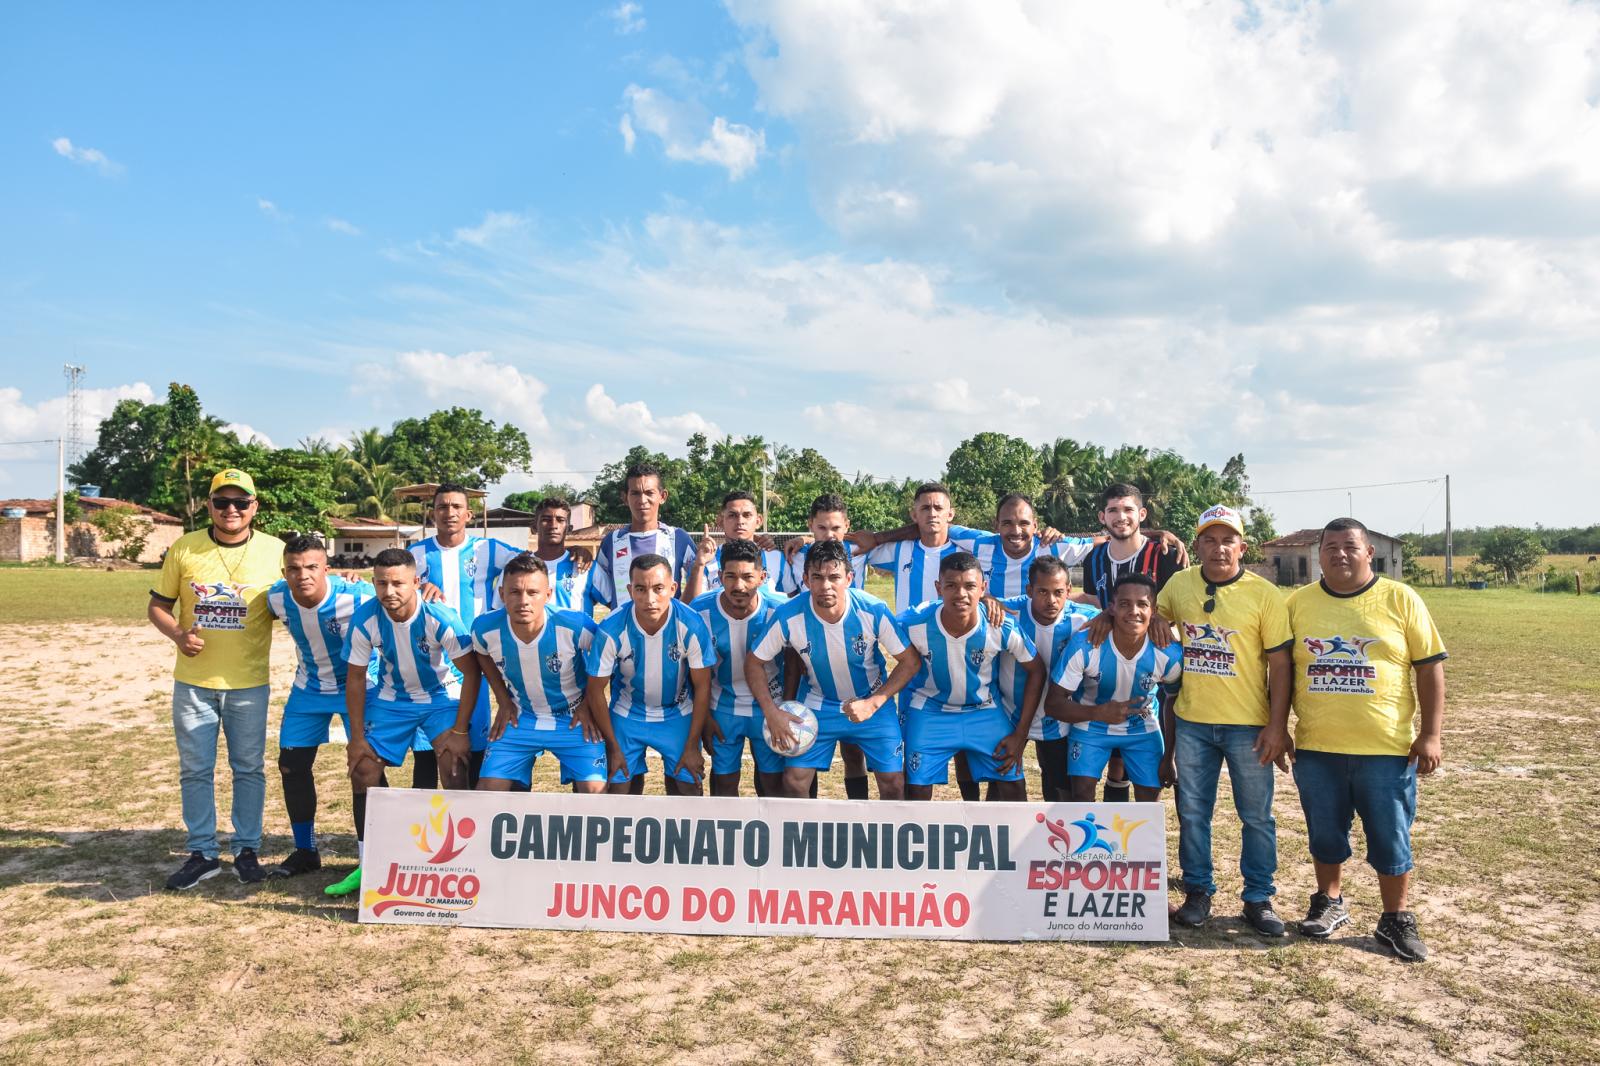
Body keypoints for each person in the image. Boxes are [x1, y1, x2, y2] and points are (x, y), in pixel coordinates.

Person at [1288, 518, 1446, 962]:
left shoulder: (1400, 599)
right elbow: (1280, 671)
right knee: (1324, 830)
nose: (1340, 553)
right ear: (1319, 554)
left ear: (1369, 552)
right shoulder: (1299, 603)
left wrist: (1431, 734)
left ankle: (1395, 918)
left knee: (1390, 835)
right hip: (1318, 746)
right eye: (1330, 546)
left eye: (1349, 546)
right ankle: (1329, 901)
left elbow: (1430, 667)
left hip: (1386, 748)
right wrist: (1277, 726)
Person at [1152, 505, 1294, 936]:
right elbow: (1149, 614)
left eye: (1227, 540)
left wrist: (1276, 725)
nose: (1218, 549)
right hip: (1193, 721)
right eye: (1209, 540)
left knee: (1257, 816)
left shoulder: (1264, 594)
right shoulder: (1179, 584)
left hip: (1249, 726)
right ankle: (1197, 891)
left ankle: (1258, 897)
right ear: (1196, 546)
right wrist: (1157, 621)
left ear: (1242, 547)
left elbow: (1282, 664)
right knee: (1194, 813)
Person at [148, 468, 285, 890]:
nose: (231, 510)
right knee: (195, 769)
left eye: (241, 502)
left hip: (248, 683)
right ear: (208, 505)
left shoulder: (275, 551)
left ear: (254, 507)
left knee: (248, 768)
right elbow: (158, 605)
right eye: (222, 501)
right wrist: (177, 634)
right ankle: (202, 853)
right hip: (193, 682)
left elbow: (303, 595)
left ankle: (246, 849)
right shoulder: (186, 548)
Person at [330, 549, 479, 897]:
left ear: (416, 582)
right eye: (381, 583)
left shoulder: (439, 616)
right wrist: (355, 737)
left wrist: (459, 732)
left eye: (398, 583)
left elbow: (471, 673)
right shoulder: (365, 617)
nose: (389, 591)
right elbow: (354, 678)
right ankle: (369, 864)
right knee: (362, 768)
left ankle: (466, 861)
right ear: (373, 584)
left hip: (440, 697)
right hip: (391, 700)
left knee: (453, 766)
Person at [747, 540, 920, 800]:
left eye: (834, 577)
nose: (826, 586)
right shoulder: (789, 615)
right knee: (793, 781)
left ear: (849, 578)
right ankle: (806, 839)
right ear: (805, 579)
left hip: (871, 702)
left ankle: (882, 840)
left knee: (893, 782)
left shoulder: (873, 610)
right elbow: (753, 662)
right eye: (817, 577)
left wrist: (873, 703)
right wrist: (771, 712)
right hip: (818, 703)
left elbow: (910, 662)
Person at [262, 535, 375, 879]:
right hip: (309, 687)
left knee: (364, 769)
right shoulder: (276, 597)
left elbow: (399, 602)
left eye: (312, 567)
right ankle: (305, 850)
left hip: (360, 687)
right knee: (291, 765)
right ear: (285, 572)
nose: (303, 575)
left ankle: (367, 857)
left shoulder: (357, 595)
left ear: (327, 569)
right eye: (294, 569)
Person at [899, 552, 1041, 802]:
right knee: (916, 790)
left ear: (983, 589)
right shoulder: (914, 623)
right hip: (931, 711)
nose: (961, 594)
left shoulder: (1000, 625)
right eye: (951, 585)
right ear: (938, 588)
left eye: (970, 586)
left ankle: (1014, 842)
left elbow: (1037, 670)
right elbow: (875, 628)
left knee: (1014, 787)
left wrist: (1020, 734)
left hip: (983, 710)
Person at [1076, 483, 1188, 803]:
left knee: (1167, 757)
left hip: (1158, 662)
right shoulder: (1094, 559)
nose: (1120, 517)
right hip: (1110, 662)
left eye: (1128, 510)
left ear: (1141, 514)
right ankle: (1114, 838)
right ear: (1102, 516)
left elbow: (1178, 607)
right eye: (1113, 510)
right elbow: (1096, 603)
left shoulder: (1166, 554)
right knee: (1115, 757)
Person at [409, 482, 522, 787]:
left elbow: (535, 565)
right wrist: (418, 588)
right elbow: (393, 584)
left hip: (474, 660)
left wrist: (576, 551)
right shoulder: (415, 553)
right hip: (429, 660)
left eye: (456, 507)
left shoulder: (491, 549)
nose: (449, 512)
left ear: (469, 514)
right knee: (427, 753)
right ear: (433, 514)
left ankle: (470, 817)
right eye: (442, 506)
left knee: (473, 744)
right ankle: (428, 827)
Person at [472, 553, 607, 793]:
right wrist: (503, 700)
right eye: (515, 592)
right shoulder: (484, 628)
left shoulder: (575, 625)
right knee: (487, 790)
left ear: (548, 595)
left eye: (533, 593)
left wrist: (589, 704)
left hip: (574, 718)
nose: (523, 600)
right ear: (502, 594)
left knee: (595, 792)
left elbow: (607, 658)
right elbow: (482, 654)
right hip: (522, 716)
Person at [584, 554, 716, 796]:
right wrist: (613, 747)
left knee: (689, 788)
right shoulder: (612, 628)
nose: (650, 599)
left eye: (658, 589)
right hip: (627, 712)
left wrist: (691, 745)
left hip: (677, 712)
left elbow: (703, 686)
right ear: (630, 590)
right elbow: (595, 690)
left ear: (673, 588)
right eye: (641, 589)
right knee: (619, 787)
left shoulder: (691, 624)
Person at [1047, 574, 1182, 804]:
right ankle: (1090, 839)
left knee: (1150, 803)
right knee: (1081, 795)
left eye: (1142, 604)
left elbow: (1175, 701)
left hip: (1142, 727)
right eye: (1124, 604)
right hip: (1091, 725)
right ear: (1111, 607)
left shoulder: (1169, 654)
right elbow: (1053, 704)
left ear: (1154, 610)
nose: (1134, 611)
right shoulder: (1086, 645)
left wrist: (1170, 756)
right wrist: (1098, 713)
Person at [780, 493, 872, 799]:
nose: (829, 535)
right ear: (811, 526)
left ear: (847, 526)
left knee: (853, 750)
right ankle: (810, 813)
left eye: (835, 528)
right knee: (807, 741)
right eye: (821, 529)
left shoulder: (860, 552)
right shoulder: (796, 556)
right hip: (809, 655)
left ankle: (857, 809)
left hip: (854, 658)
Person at [995, 555, 1100, 802]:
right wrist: (986, 599)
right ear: (1029, 590)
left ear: (1069, 591)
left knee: (1060, 791)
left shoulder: (1085, 618)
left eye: (1058, 592)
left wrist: (1108, 616)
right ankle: (1012, 837)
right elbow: (976, 603)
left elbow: (1120, 613)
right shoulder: (1007, 613)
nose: (1051, 600)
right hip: (1009, 713)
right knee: (1004, 785)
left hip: (1057, 719)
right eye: (1042, 591)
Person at [690, 539, 789, 797]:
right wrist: (704, 718)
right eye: (731, 576)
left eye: (748, 576)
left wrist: (785, 706)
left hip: (769, 707)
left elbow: (794, 664)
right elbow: (690, 671)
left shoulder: (781, 610)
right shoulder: (699, 612)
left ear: (762, 577)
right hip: (721, 708)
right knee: (723, 784)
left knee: (772, 784)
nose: (739, 585)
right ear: (720, 576)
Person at [682, 491, 787, 599]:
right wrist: (699, 565)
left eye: (747, 515)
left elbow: (791, 603)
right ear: (720, 521)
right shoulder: (704, 561)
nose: (740, 521)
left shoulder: (776, 558)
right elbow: (692, 607)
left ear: (758, 521)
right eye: (732, 515)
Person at [527, 496, 592, 610]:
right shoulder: (516, 568)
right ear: (534, 527)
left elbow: (616, 605)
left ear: (569, 528)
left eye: (560, 520)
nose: (553, 525)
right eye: (546, 519)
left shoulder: (586, 567)